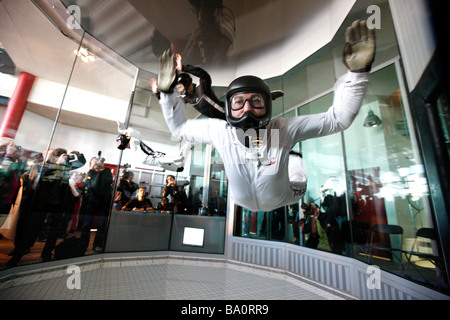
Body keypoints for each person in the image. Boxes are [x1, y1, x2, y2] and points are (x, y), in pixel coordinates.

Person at [156, 20, 375, 213]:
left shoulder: (281, 130)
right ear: (229, 108)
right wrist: (166, 94)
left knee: (296, 167)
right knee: (286, 155)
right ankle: (291, 156)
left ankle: (293, 157)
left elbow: (337, 119)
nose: (247, 109)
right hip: (242, 200)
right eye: (239, 102)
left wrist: (358, 74)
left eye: (256, 101)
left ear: (268, 106)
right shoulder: (221, 132)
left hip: (285, 197)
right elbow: (179, 129)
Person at [151, 53, 226, 120]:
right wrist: (158, 93)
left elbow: (204, 75)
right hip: (219, 121)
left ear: (186, 84)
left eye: (180, 87)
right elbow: (171, 104)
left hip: (227, 113)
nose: (180, 91)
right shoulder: (187, 97)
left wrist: (183, 68)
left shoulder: (201, 88)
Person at [78, 155, 113, 253]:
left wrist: (101, 170)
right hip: (91, 201)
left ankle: (97, 244)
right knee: (87, 224)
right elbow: (91, 184)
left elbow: (108, 181)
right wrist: (92, 169)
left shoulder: (106, 171)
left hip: (104, 201)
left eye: (98, 161)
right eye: (94, 161)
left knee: (102, 224)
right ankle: (83, 245)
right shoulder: (90, 172)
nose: (97, 162)